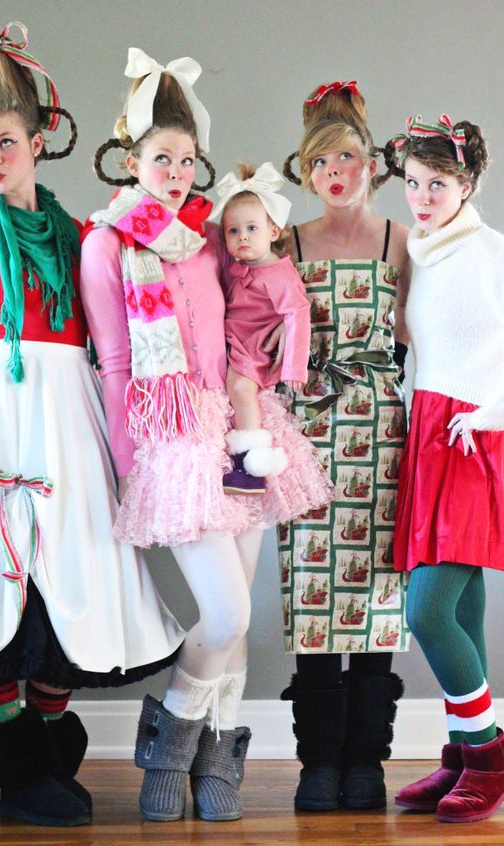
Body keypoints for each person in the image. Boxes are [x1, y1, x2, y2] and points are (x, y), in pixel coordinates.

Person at [0, 23, 184, 827]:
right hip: (1, 420)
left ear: (39, 139)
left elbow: (111, 339)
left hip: (70, 418)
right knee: (4, 580)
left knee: (74, 578)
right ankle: (15, 761)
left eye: (6, 140)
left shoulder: (81, 235)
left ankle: (45, 750)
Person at [80, 48, 331, 823]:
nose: (179, 172)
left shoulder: (210, 236)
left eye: (188, 159)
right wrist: (134, 465)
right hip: (171, 442)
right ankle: (168, 742)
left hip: (233, 426)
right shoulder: (108, 242)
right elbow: (116, 362)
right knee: (221, 616)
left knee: (243, 619)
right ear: (131, 159)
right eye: (162, 158)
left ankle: (212, 761)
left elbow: (249, 311)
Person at [278, 79, 410, 812]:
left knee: (378, 602)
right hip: (309, 440)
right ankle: (317, 764)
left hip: (384, 438)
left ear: (372, 162)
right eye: (322, 160)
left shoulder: (401, 240)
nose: (337, 172)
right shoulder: (287, 241)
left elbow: (432, 334)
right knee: (315, 603)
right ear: (307, 168)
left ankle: (368, 761)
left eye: (350, 156)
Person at [387, 113, 504, 823]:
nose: (422, 196)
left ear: (467, 183)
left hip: (471, 432)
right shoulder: (424, 253)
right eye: (412, 183)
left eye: (438, 183)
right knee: (462, 604)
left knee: (428, 610)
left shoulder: (489, 251)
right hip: (430, 426)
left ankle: (488, 756)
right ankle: (467, 752)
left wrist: (488, 412)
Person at [209, 161, 312, 494]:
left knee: (241, 389)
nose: (242, 238)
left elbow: (297, 313)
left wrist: (294, 367)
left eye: (252, 228)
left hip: (255, 346)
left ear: (273, 231)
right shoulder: (235, 265)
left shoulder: (278, 273)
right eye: (233, 231)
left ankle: (250, 463)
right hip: (230, 340)